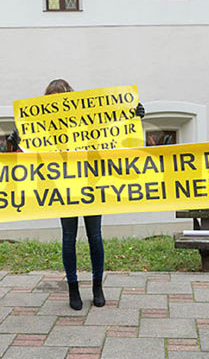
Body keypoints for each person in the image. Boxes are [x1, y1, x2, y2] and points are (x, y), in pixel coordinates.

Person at [8, 79, 145, 310]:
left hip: (92, 185)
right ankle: (73, 287)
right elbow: (29, 159)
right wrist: (16, 143)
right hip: (63, 189)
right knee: (68, 239)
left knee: (95, 237)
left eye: (63, 97)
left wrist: (134, 117)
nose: (59, 103)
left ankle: (97, 286)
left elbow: (113, 133)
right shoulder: (40, 128)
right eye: (53, 99)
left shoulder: (87, 121)